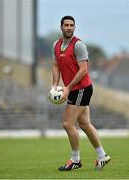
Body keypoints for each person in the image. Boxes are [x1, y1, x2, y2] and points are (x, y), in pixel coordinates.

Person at [51, 15, 110, 171]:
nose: (69, 27)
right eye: (66, 25)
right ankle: (102, 156)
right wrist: (55, 85)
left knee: (67, 123)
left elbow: (84, 70)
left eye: (72, 25)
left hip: (81, 88)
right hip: (74, 89)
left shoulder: (78, 45)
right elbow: (56, 66)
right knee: (84, 124)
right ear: (61, 27)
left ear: (74, 27)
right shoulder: (56, 45)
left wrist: (68, 87)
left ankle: (75, 160)